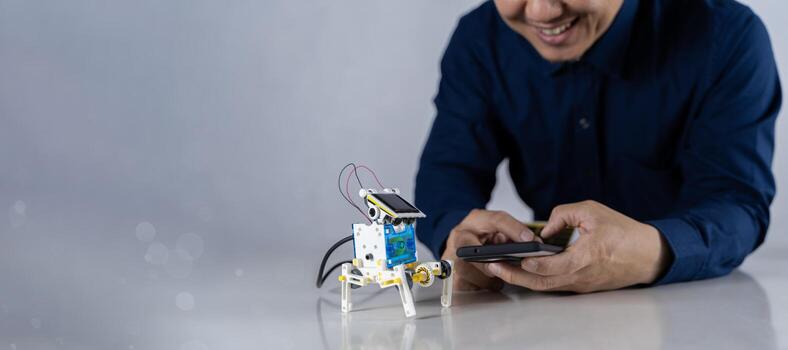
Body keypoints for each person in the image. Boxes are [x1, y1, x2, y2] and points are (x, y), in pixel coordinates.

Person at [414, 0, 781, 293]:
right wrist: (457, 237)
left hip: (693, 307)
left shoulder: (727, 35)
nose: (541, 11)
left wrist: (650, 252)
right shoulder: (479, 39)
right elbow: (446, 176)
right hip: (540, 317)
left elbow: (736, 203)